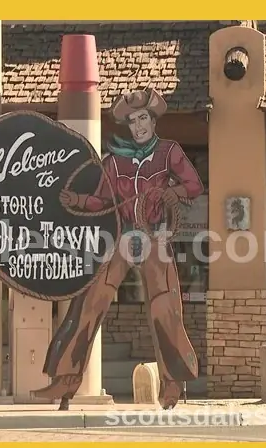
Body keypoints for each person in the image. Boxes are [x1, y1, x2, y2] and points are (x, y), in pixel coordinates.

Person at [31, 86, 204, 409]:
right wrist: (79, 200)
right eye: (134, 121)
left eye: (144, 119)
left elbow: (194, 185)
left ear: (153, 121)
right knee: (90, 299)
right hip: (124, 235)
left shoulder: (169, 152)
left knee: (164, 306)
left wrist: (173, 192)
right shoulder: (114, 161)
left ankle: (172, 384)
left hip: (155, 235)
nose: (139, 126)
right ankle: (65, 381)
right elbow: (103, 199)